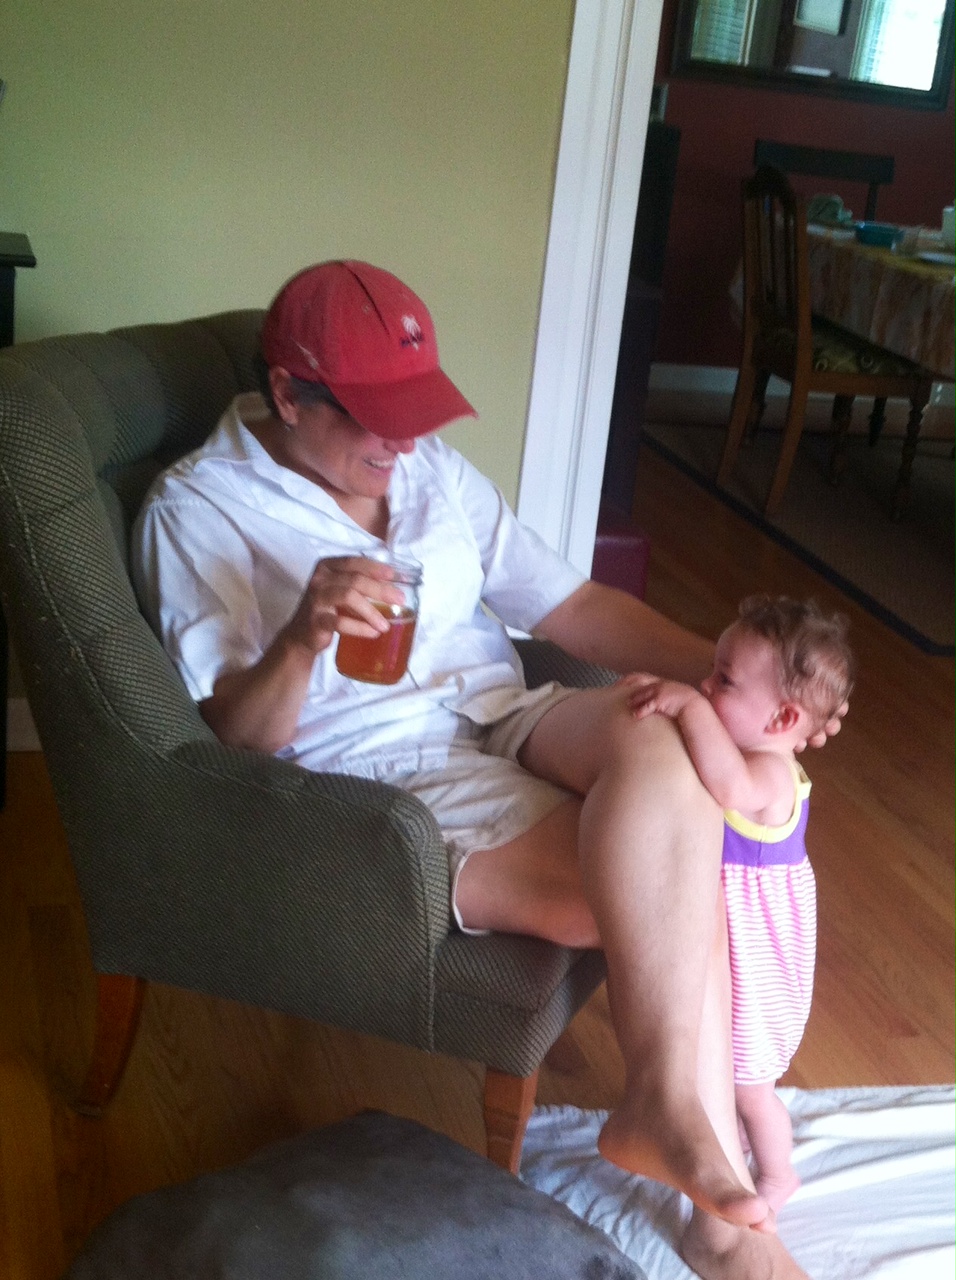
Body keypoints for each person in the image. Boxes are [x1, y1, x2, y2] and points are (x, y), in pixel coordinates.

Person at [132, 259, 842, 1280]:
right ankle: (721, 1219)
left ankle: (661, 1109)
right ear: (288, 393)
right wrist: (301, 634)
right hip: (379, 769)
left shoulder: (427, 473)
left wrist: (755, 693)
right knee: (662, 876)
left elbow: (573, 609)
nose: (403, 444)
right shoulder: (197, 508)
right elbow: (235, 737)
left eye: (414, 415)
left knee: (667, 738)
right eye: (376, 419)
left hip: (504, 712)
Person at [627, 595, 854, 1212]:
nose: (704, 685)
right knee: (714, 1065)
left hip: (760, 962)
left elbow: (727, 785)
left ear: (782, 720)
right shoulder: (754, 749)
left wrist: (686, 705)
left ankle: (778, 1173)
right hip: (732, 944)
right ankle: (719, 1139)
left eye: (723, 681)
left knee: (751, 1087)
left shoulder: (770, 774)